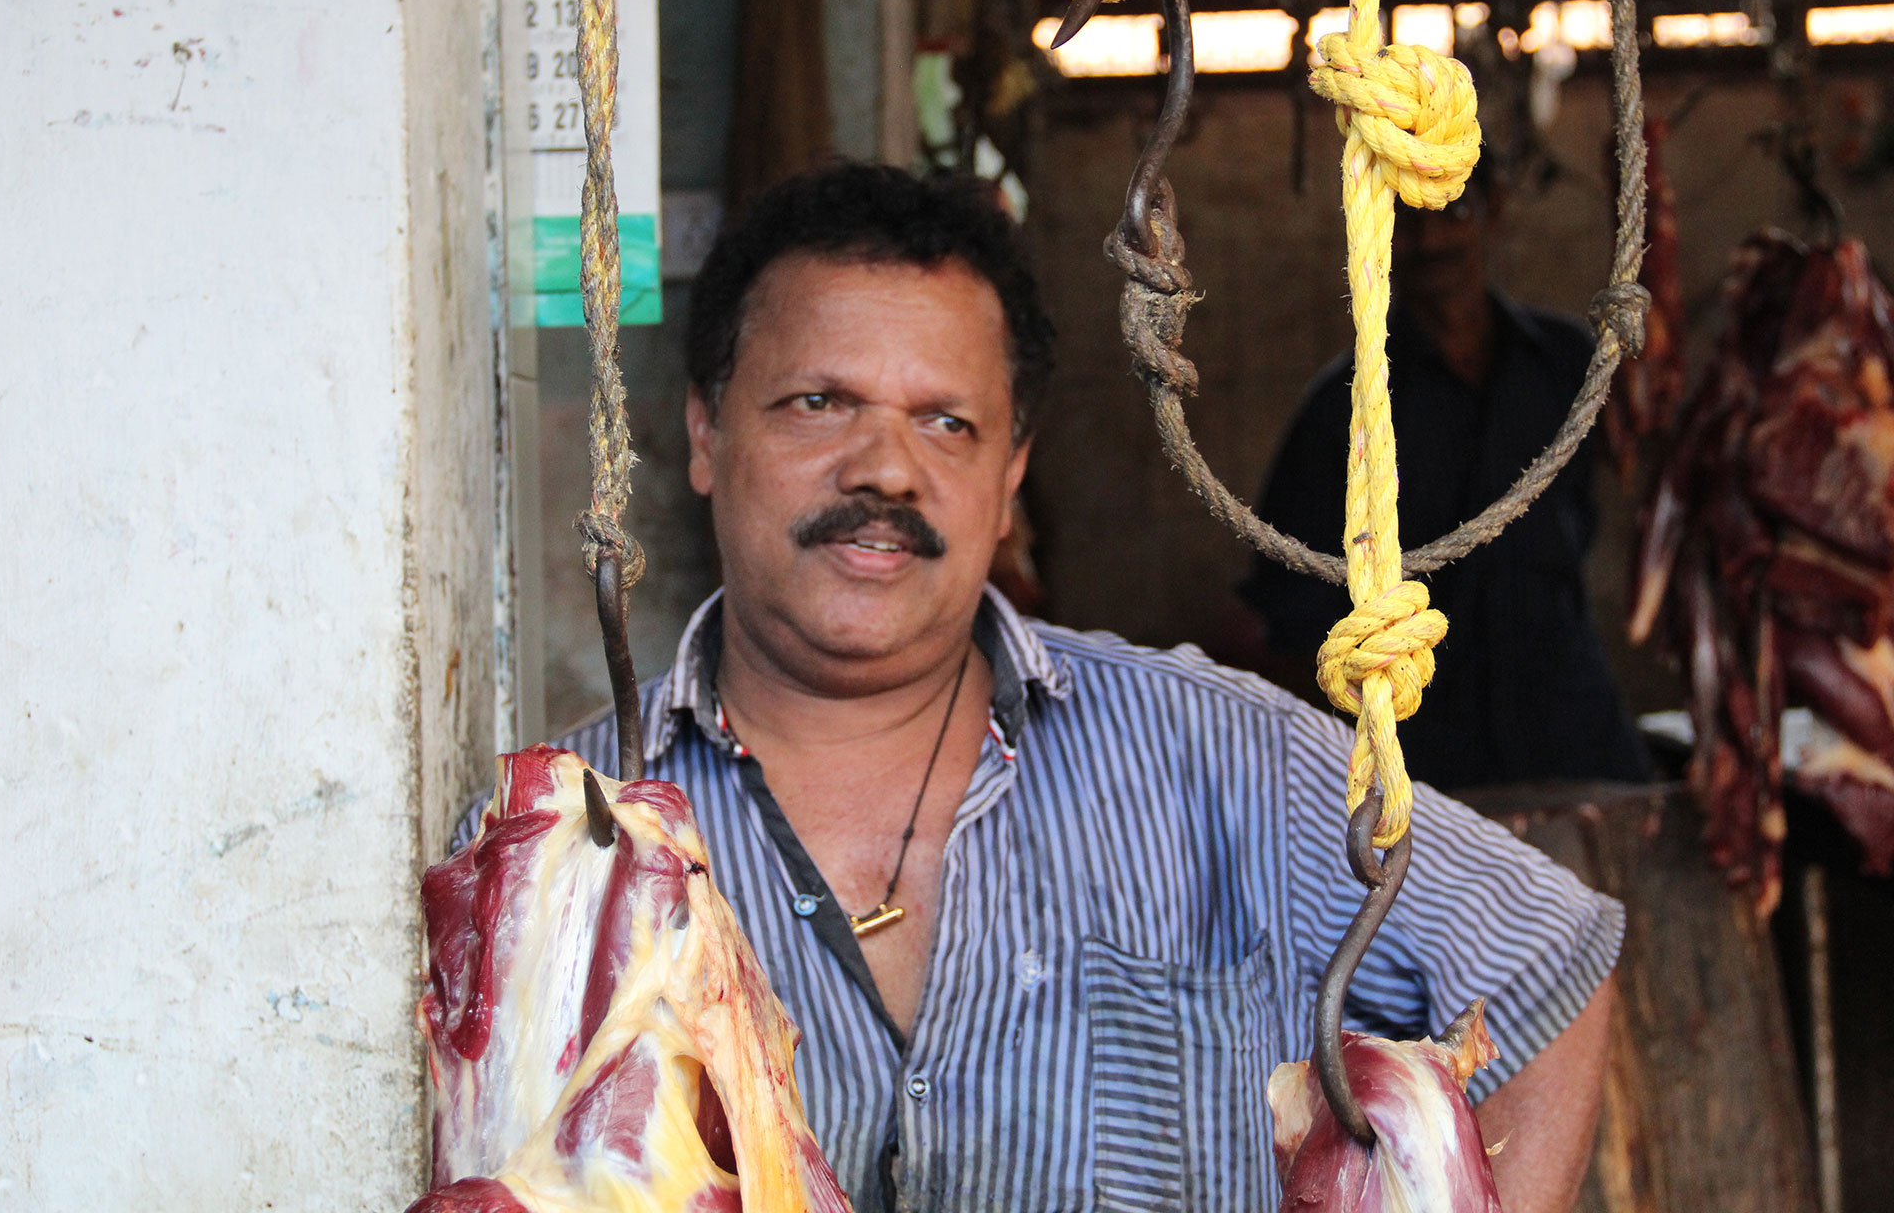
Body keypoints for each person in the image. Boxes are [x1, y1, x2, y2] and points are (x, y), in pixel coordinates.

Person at [535, 163, 1619, 1213]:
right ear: (704, 435)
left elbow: (1545, 965)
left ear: (1009, 478)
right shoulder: (562, 843)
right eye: (820, 402)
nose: (886, 468)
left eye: (947, 422)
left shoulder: (1221, 754)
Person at [1237, 164, 1652, 791]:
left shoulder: (1568, 365)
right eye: (1405, 222)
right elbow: (1277, 615)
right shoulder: (1341, 410)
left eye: (1450, 213)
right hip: (1430, 778)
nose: (1430, 242)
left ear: (1494, 208)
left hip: (1576, 740)